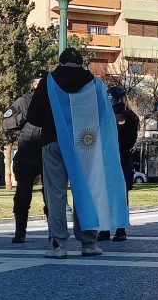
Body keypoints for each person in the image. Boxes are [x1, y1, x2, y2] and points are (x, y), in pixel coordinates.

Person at [27, 48, 129, 258]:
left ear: (60, 63)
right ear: (82, 64)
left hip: (53, 143)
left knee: (55, 194)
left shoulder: (49, 82)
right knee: (87, 189)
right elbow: (105, 116)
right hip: (86, 145)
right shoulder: (95, 84)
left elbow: (33, 117)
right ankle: (89, 243)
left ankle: (59, 245)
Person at [3, 70, 50, 243]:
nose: (40, 86)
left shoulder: (54, 101)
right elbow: (6, 123)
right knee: (23, 195)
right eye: (38, 83)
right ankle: (20, 231)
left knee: (51, 195)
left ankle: (54, 232)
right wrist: (24, 115)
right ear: (33, 84)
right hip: (27, 153)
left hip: (47, 152)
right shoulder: (24, 101)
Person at [97, 84, 138, 243]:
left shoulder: (130, 116)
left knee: (121, 195)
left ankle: (120, 229)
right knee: (104, 195)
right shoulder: (103, 115)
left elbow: (129, 141)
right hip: (106, 158)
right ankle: (105, 228)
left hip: (121, 158)